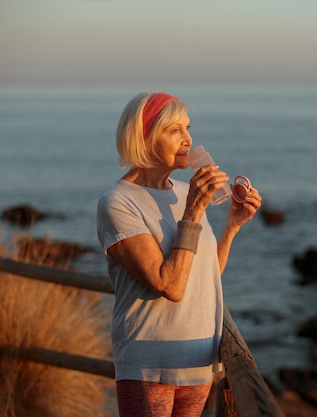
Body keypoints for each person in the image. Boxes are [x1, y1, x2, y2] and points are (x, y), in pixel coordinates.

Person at [96, 92, 262, 417]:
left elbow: (203, 274)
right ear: (143, 138)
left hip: (198, 360)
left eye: (187, 128)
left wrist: (231, 226)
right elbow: (169, 284)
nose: (187, 139)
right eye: (174, 130)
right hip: (150, 363)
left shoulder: (186, 193)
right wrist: (195, 209)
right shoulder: (118, 202)